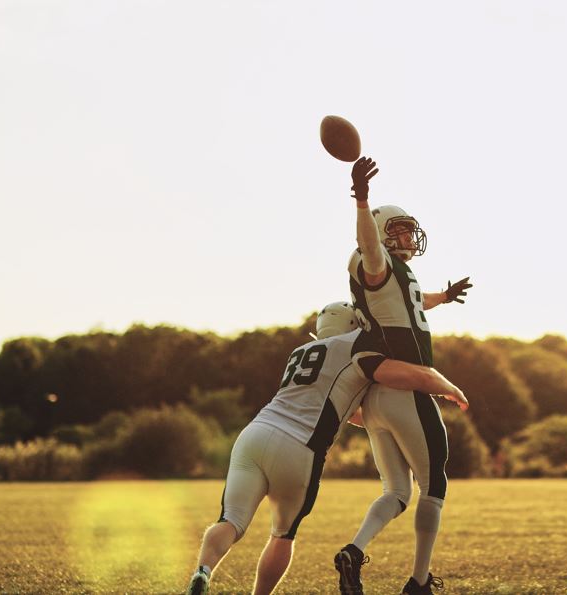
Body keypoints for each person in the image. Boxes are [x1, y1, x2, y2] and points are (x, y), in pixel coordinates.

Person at [185, 302, 468, 595]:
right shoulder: (357, 345)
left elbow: (341, 407)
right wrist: (448, 386)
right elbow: (411, 374)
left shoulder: (300, 352)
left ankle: (203, 572)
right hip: (299, 447)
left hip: (255, 434)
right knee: (282, 535)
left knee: (231, 520)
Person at [335, 158, 472, 595]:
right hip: (407, 388)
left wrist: (444, 297)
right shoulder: (374, 260)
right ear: (380, 233)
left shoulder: (397, 276)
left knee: (396, 490)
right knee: (434, 484)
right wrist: (361, 199)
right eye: (400, 230)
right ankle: (418, 582)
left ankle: (354, 552)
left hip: (376, 401)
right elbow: (370, 248)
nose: (409, 237)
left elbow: (409, 302)